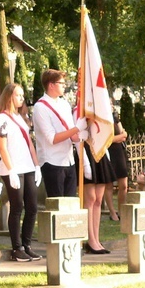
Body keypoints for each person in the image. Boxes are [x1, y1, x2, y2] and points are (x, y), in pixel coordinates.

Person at [0, 83, 42, 262]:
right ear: (9, 97)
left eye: (22, 95)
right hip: (13, 168)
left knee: (32, 207)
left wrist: (36, 165)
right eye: (18, 95)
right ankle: (17, 247)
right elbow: (2, 147)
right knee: (17, 207)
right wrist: (11, 170)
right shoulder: (2, 119)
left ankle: (27, 245)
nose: (22, 98)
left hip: (28, 166)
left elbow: (29, 144)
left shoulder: (21, 117)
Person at [32, 69, 86, 198]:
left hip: (68, 160)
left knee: (70, 204)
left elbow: (70, 132)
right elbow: (52, 138)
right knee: (57, 205)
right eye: (61, 83)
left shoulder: (64, 104)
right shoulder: (40, 107)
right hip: (52, 162)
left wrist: (81, 135)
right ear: (51, 85)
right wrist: (77, 129)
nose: (64, 86)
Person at [104, 106, 129, 222]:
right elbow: (105, 139)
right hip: (107, 152)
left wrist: (117, 137)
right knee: (108, 184)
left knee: (123, 185)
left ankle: (122, 211)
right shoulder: (101, 119)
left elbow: (125, 135)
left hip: (119, 152)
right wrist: (119, 137)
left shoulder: (115, 118)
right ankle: (112, 212)